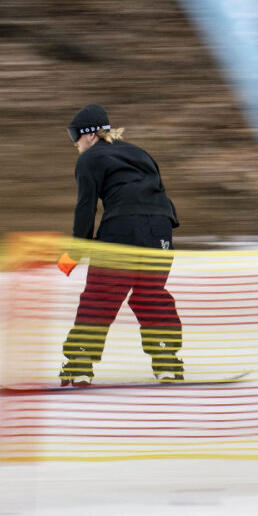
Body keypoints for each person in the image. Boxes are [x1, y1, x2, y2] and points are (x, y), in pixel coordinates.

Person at [58, 104, 184, 386]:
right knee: (150, 293)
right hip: (160, 229)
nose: (74, 143)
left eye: (74, 136)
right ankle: (167, 362)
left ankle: (79, 364)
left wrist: (75, 253)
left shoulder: (89, 159)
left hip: (122, 228)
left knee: (101, 296)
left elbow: (85, 208)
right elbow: (158, 192)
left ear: (89, 135)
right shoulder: (140, 152)